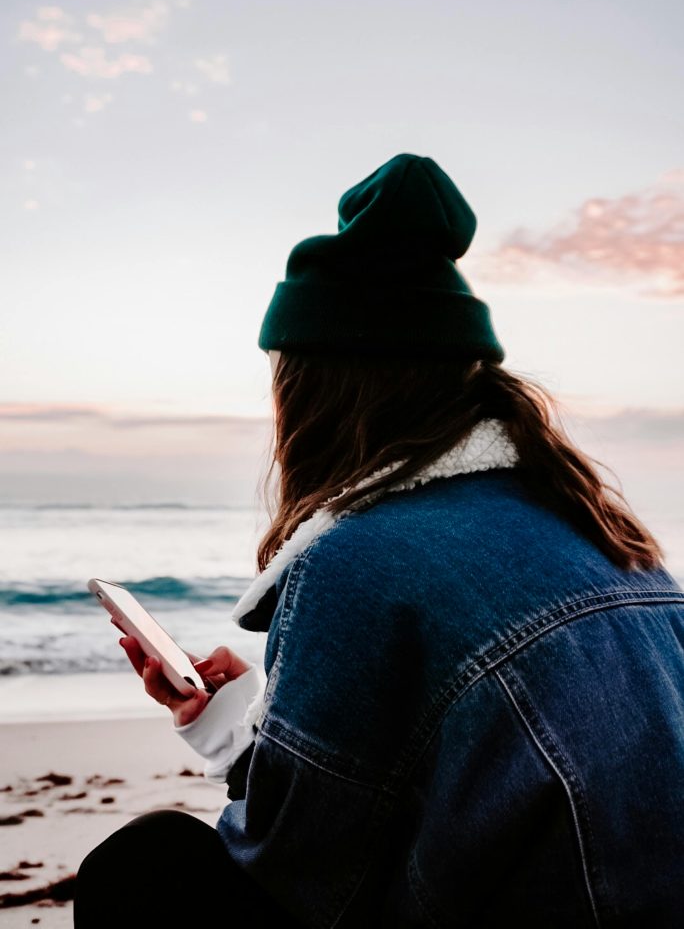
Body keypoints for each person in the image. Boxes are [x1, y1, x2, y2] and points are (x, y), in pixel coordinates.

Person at [74, 153, 684, 928]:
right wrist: (234, 718)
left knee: (146, 867)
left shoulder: (361, 560)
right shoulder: (607, 536)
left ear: (314, 393)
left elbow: (303, 874)